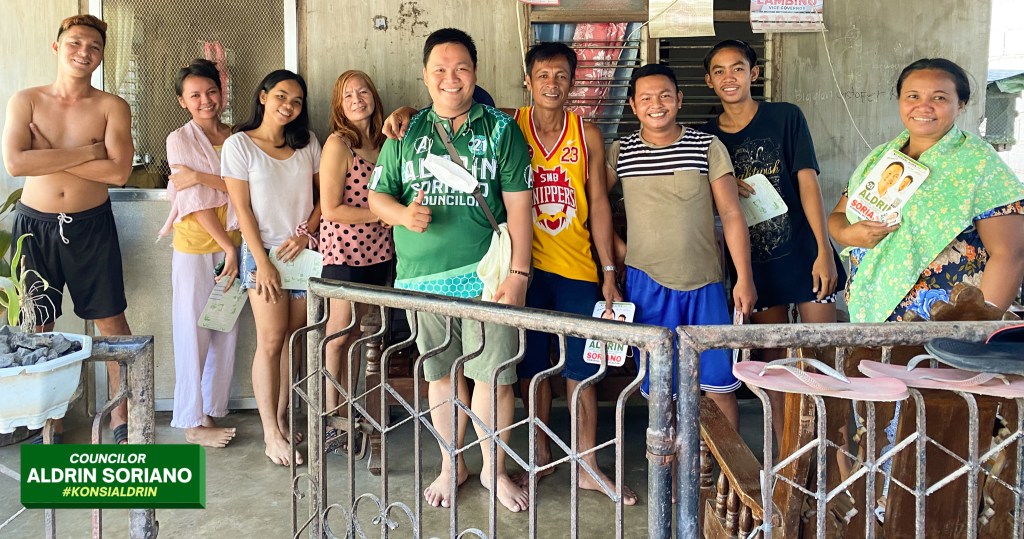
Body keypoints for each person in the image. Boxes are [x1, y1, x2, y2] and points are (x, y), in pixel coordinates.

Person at [380, 41, 631, 502]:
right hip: (483, 272)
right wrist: (406, 113)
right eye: (543, 76)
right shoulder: (502, 123)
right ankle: (520, 459)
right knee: (515, 374)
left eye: (561, 76)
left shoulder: (567, 132)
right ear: (527, 81)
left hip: (548, 269)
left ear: (573, 82)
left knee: (564, 371)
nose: (552, 84)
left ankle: (575, 465)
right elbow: (447, 105)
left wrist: (606, 267)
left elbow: (590, 204)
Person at [368, 28, 533, 512]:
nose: (451, 78)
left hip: (487, 276)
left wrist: (519, 274)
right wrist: (403, 215)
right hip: (423, 280)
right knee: (441, 377)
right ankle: (450, 464)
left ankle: (492, 470)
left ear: (475, 73)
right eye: (440, 69)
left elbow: (519, 207)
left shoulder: (501, 130)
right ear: (425, 75)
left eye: (461, 68)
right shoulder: (405, 132)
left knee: (493, 377)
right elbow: (378, 196)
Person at [700, 39, 843, 435]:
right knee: (773, 364)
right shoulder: (706, 138)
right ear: (709, 81)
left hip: (804, 252)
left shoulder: (785, 117)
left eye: (738, 68)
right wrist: (723, 187)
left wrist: (823, 250)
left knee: (821, 356)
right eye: (719, 71)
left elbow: (808, 182)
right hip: (755, 264)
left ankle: (829, 452)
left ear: (754, 73)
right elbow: (700, 202)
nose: (730, 77)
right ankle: (785, 452)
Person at [2, 14, 133, 444]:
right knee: (39, 324)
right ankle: (49, 422)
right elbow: (16, 163)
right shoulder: (27, 100)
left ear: (102, 56)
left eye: (94, 46)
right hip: (35, 225)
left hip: (91, 225)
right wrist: (89, 152)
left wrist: (48, 153)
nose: (84, 52)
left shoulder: (112, 106)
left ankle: (121, 416)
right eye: (75, 43)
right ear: (57, 47)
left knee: (111, 322)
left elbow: (118, 173)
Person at [607, 63, 756, 428]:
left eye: (664, 96)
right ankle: (670, 460)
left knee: (720, 385)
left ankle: (720, 463)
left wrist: (744, 277)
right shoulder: (620, 151)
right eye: (646, 98)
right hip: (646, 285)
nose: (656, 105)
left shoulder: (706, 145)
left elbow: (731, 213)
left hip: (705, 283)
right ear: (632, 105)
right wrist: (618, 250)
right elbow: (591, 206)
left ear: (679, 99)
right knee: (662, 388)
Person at [829, 58, 1024, 323]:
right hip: (871, 310)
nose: (924, 106)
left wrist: (974, 328)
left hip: (946, 321)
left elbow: (1010, 254)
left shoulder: (978, 164)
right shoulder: (882, 157)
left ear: (961, 104)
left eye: (939, 98)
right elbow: (838, 216)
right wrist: (849, 234)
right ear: (900, 100)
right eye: (913, 96)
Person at [222, 70, 322, 466]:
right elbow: (242, 208)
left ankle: (281, 420)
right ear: (263, 96)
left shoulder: (307, 142)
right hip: (262, 252)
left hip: (303, 253)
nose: (288, 106)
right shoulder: (240, 144)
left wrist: (306, 233)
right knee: (270, 339)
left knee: (292, 339)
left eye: (296, 101)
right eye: (281, 96)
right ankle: (269, 434)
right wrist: (262, 262)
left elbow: (324, 197)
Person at [160, 58, 240, 448]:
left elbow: (245, 187)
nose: (205, 100)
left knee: (224, 329)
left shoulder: (237, 136)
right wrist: (228, 247)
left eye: (211, 92)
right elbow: (193, 199)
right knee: (192, 331)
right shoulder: (179, 139)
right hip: (197, 246)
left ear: (222, 93)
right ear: (182, 101)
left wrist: (203, 176)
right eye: (195, 95)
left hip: (235, 244)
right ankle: (191, 421)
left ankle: (209, 408)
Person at [318, 70, 393, 448]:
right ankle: (330, 417)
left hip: (378, 253)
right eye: (348, 95)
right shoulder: (338, 145)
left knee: (358, 335)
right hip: (345, 253)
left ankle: (348, 408)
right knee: (338, 335)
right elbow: (331, 208)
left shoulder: (383, 143)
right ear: (339, 106)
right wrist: (382, 216)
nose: (357, 99)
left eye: (363, 92)